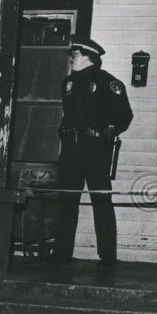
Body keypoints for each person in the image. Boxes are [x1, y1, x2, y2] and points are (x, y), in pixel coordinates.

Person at [50, 36, 133, 269]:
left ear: (88, 57)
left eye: (74, 56)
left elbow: (124, 116)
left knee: (101, 200)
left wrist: (109, 131)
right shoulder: (68, 83)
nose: (70, 60)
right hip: (71, 148)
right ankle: (61, 253)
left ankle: (107, 256)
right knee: (67, 199)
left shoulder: (108, 82)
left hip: (96, 149)